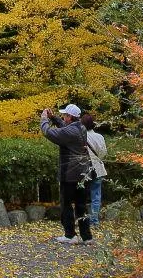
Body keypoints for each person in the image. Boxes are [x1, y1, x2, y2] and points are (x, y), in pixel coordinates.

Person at [40, 104, 93, 244]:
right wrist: (54, 118)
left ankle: (70, 235)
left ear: (70, 117)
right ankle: (87, 236)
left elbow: (49, 133)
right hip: (83, 173)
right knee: (82, 205)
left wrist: (44, 119)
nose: (63, 117)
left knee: (67, 204)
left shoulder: (71, 132)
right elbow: (65, 127)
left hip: (70, 174)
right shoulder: (80, 128)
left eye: (65, 115)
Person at [80, 114, 107, 228]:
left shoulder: (81, 136)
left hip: (84, 169)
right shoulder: (100, 137)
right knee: (96, 196)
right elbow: (104, 153)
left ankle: (82, 220)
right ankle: (94, 221)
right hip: (98, 168)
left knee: (81, 196)